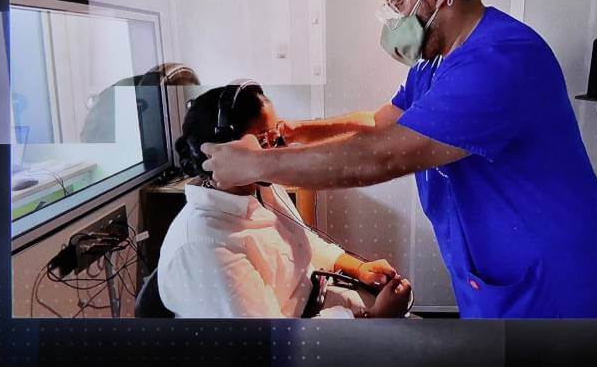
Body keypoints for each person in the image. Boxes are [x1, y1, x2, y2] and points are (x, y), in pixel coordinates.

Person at [199, 0, 597, 318]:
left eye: (399, 5)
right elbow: (377, 122)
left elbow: (382, 157)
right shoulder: (436, 62)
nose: (396, 22)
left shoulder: (501, 60)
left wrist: (255, 165)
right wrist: (298, 131)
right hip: (499, 272)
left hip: (550, 278)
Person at [157, 82, 412, 318]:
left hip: (318, 303)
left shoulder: (258, 187)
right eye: (263, 140)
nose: (277, 150)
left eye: (275, 135)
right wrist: (374, 318)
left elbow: (299, 241)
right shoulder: (205, 246)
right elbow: (272, 343)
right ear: (223, 147)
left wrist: (357, 268)